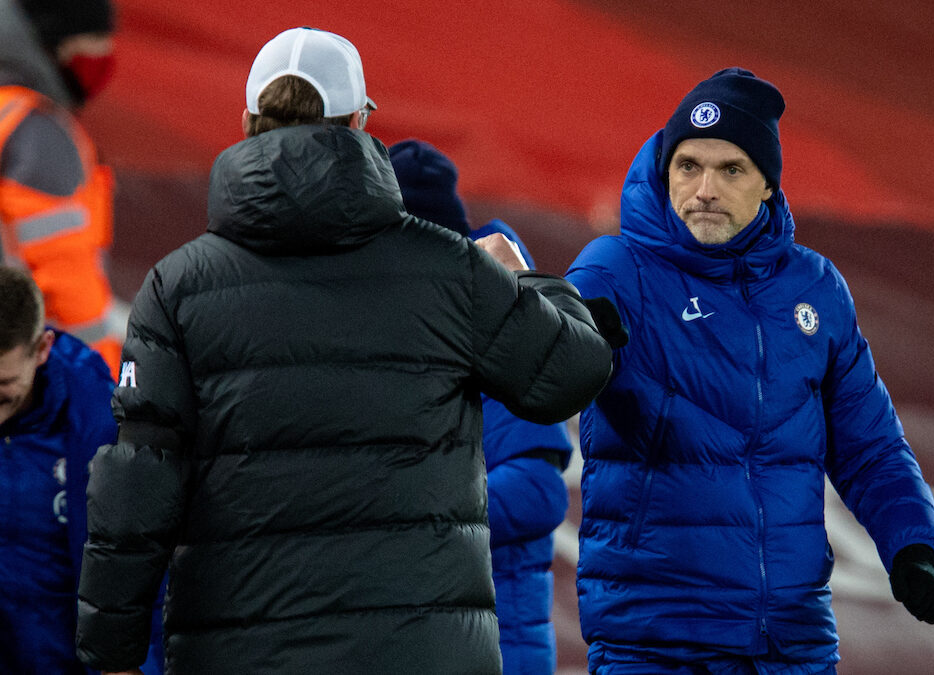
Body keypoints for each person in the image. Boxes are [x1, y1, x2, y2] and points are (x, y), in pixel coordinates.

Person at [74, 26, 612, 674]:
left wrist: (112, 652)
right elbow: (575, 370)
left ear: (247, 122)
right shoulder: (449, 270)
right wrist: (522, 278)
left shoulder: (176, 287)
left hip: (242, 652)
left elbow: (138, 482)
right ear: (359, 122)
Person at [566, 67, 934, 673]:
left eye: (731, 170)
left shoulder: (816, 288)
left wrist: (912, 547)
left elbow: (871, 445)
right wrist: (568, 331)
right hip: (659, 645)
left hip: (792, 647)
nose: (704, 190)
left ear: (768, 186)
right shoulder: (616, 271)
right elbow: (548, 364)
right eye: (688, 166)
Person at [390, 138, 576, 674]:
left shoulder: (506, 328)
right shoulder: (387, 331)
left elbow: (539, 491)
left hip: (497, 651)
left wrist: (420, 520)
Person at [0, 266, 163, 675]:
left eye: (3, 389)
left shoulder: (99, 429)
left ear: (41, 350)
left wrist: (135, 664)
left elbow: (135, 564)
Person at [0, 0, 126, 375]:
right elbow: (66, 292)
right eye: (97, 38)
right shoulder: (38, 133)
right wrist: (103, 390)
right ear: (58, 41)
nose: (106, 52)